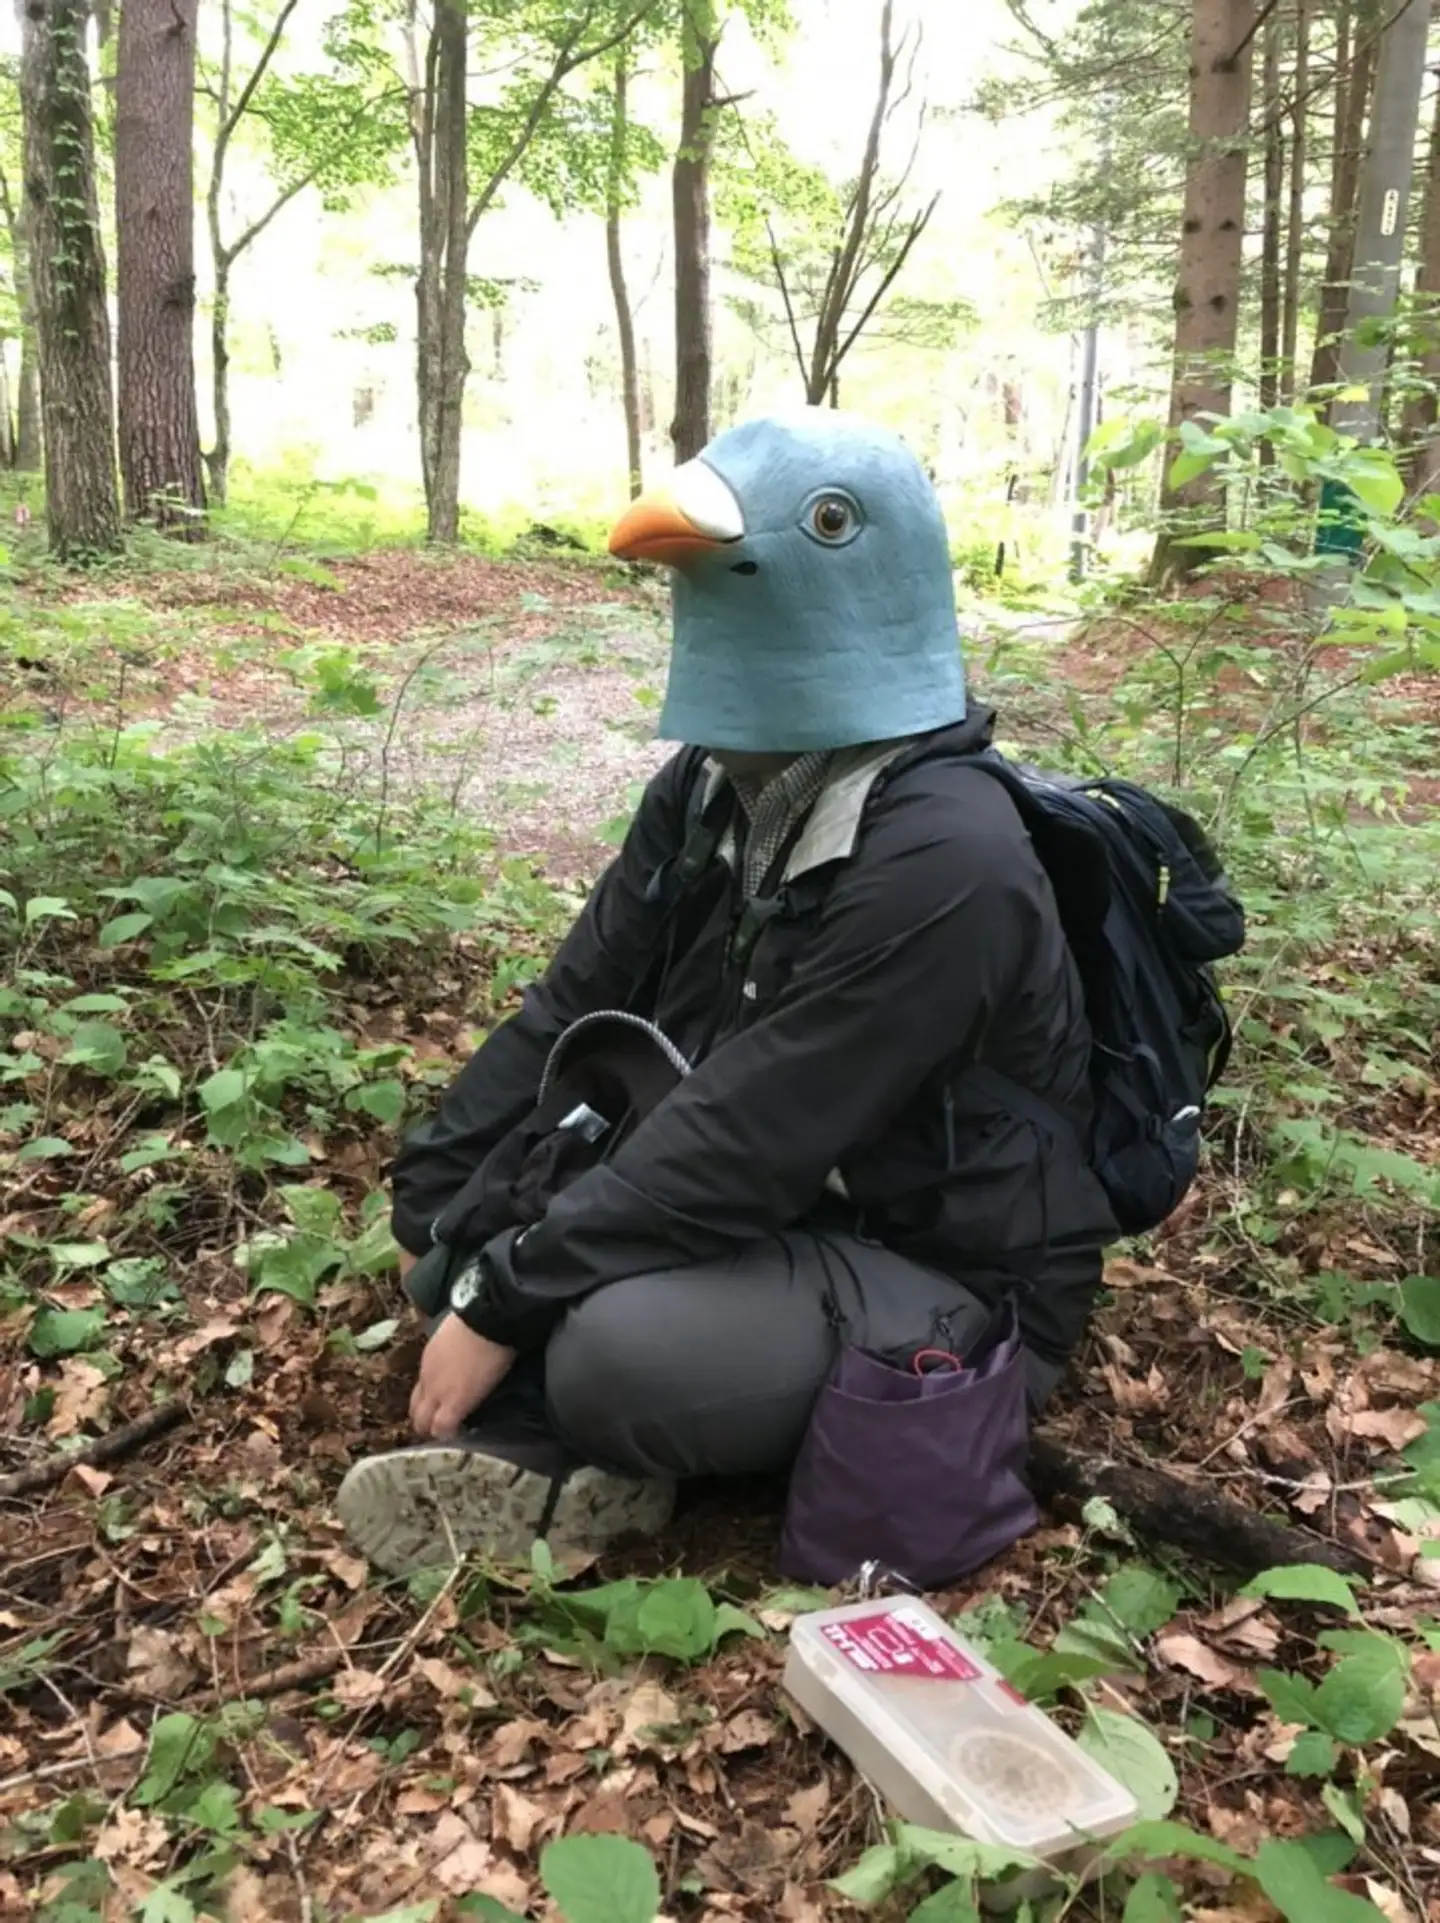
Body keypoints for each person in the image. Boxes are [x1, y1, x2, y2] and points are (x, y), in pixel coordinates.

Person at [336, 411, 1116, 1576]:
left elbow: (751, 1133)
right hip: (792, 1207)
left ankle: (586, 1450)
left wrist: (503, 1297)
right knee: (449, 1246)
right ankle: (605, 1411)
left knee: (617, 1357)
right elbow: (573, 1000)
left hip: (947, 1270)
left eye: (825, 524)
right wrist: (438, 1196)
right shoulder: (713, 785)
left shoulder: (951, 859)